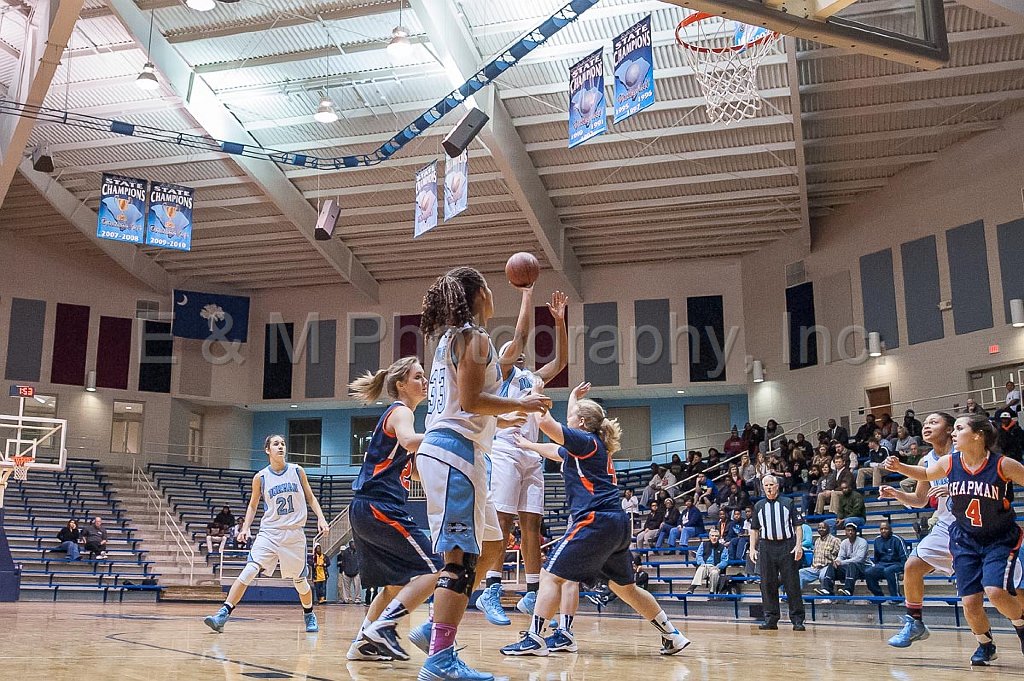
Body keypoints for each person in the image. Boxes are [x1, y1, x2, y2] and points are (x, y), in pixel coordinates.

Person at [416, 266, 551, 681]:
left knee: (492, 545)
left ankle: (432, 626)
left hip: (464, 451)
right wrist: (522, 408)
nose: (495, 294)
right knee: (460, 562)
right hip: (455, 454)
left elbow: (470, 397)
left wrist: (502, 419)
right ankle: (439, 659)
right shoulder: (471, 338)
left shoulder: (457, 341)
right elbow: (473, 400)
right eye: (491, 289)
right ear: (477, 296)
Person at [500, 382, 691, 657]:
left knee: (549, 575)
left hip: (595, 520)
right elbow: (556, 450)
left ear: (582, 421)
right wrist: (529, 443)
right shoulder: (590, 446)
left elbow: (549, 426)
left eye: (573, 416)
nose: (569, 420)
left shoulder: (585, 441)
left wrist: (533, 398)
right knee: (626, 588)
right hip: (616, 523)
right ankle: (671, 634)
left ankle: (534, 638)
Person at [886, 413, 1024, 665]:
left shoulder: (1003, 464)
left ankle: (1021, 628)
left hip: (998, 537)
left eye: (958, 428)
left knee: (996, 591)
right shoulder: (949, 461)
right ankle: (985, 644)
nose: (953, 434)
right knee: (970, 602)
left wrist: (955, 487)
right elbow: (926, 475)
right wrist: (900, 468)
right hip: (963, 537)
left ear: (977, 434)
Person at [345, 357, 445, 662]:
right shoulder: (401, 412)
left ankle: (363, 642)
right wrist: (447, 437)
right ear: (401, 384)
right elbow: (409, 440)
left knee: (395, 584)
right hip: (379, 506)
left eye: (425, 377)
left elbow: (413, 470)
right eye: (418, 377)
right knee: (435, 568)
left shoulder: (399, 414)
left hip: (365, 508)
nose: (424, 382)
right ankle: (384, 628)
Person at [484, 290, 568, 619]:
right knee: (502, 521)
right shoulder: (499, 373)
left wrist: (559, 322)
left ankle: (532, 593)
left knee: (532, 523)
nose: (517, 355)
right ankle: (491, 588)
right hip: (505, 447)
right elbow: (519, 335)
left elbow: (561, 362)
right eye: (511, 352)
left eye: (519, 354)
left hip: (532, 455)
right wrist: (526, 295)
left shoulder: (533, 377)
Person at [203, 434, 330, 634]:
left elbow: (311, 498)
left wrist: (321, 518)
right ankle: (223, 614)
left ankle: (309, 614)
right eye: (276, 444)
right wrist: (245, 528)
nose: (280, 447)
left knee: (300, 581)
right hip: (269, 532)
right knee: (249, 569)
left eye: (283, 444)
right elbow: (253, 505)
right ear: (267, 450)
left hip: (293, 533)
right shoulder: (260, 477)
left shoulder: (297, 471)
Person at [749, 475, 806, 631]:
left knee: (791, 583)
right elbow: (754, 529)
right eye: (765, 485)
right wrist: (752, 548)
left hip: (786, 545)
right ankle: (771, 619)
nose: (768, 487)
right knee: (767, 584)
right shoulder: (759, 506)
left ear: (777, 486)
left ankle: (797, 620)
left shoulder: (788, 503)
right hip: (766, 546)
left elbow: (798, 526)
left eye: (771, 485)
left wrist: (798, 545)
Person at [817, 523, 869, 597]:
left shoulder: (862, 542)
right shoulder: (844, 542)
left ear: (856, 532)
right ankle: (827, 589)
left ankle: (848, 590)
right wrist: (836, 561)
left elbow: (859, 559)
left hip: (863, 567)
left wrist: (841, 562)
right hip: (850, 569)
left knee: (852, 565)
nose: (850, 532)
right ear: (845, 532)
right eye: (848, 530)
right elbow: (841, 556)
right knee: (832, 564)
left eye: (852, 530)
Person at [865, 522, 908, 601]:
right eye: (881, 529)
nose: (883, 531)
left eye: (886, 529)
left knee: (888, 570)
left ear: (890, 529)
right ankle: (879, 596)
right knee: (869, 572)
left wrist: (904, 571)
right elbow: (876, 558)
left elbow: (904, 557)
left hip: (896, 564)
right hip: (882, 565)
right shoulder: (877, 540)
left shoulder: (897, 539)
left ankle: (896, 597)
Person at [799, 522, 841, 590]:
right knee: (800, 573)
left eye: (823, 528)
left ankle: (827, 597)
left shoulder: (835, 540)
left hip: (827, 567)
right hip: (815, 568)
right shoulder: (817, 541)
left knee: (823, 576)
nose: (821, 529)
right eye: (819, 528)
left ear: (828, 529)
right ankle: (797, 597)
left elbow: (840, 555)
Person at [686, 529, 729, 594]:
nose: (714, 538)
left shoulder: (723, 548)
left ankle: (712, 592)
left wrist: (718, 566)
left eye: (716, 536)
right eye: (712, 536)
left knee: (714, 573)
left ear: (719, 537)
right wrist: (702, 563)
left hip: (715, 566)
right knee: (701, 568)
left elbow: (725, 561)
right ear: (709, 537)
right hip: (705, 565)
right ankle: (692, 587)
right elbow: (699, 555)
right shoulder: (703, 544)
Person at [338, 540, 362, 605]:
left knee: (357, 587)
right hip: (346, 572)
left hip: (356, 572)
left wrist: (359, 570)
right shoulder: (345, 552)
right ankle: (347, 599)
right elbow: (343, 562)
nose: (354, 545)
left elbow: (360, 561)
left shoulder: (359, 551)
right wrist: (344, 570)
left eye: (354, 544)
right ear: (350, 545)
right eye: (352, 544)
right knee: (346, 587)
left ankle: (357, 599)